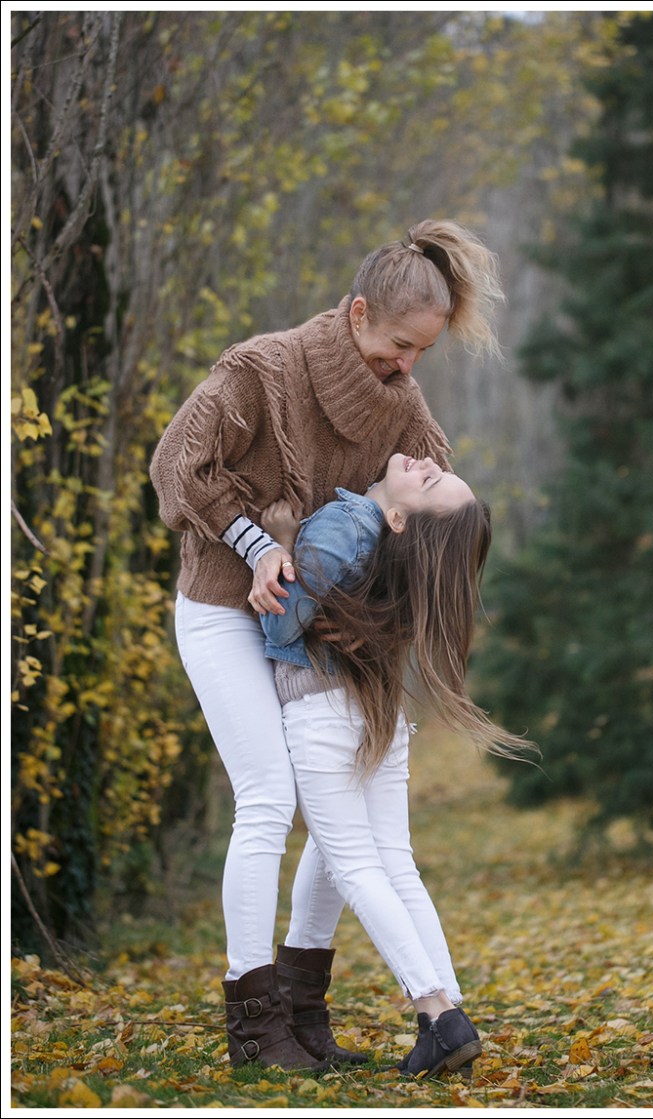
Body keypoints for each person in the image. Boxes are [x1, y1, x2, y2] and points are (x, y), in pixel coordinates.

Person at [149, 220, 504, 1071]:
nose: (407, 367)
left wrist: (361, 611)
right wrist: (259, 545)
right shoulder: (260, 372)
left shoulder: (404, 408)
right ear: (356, 315)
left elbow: (427, 523)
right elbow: (176, 466)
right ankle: (256, 1020)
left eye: (422, 352)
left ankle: (307, 1012)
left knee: (342, 810)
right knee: (269, 799)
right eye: (397, 345)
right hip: (226, 608)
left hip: (321, 627)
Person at [258, 453, 532, 1079]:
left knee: (355, 863)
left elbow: (282, 627)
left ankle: (436, 1012)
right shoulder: (384, 546)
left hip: (322, 711)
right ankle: (449, 1014)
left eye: (432, 480)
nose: (427, 461)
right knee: (392, 862)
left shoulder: (342, 525)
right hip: (369, 706)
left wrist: (280, 543)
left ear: (405, 520)